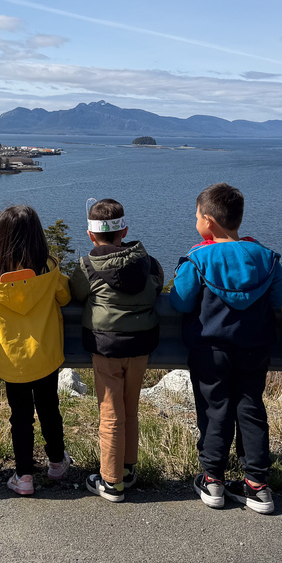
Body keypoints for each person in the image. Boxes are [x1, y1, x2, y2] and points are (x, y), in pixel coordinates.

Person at [169, 183, 282, 513]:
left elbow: (179, 302)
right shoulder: (266, 257)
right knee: (250, 408)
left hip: (210, 350)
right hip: (255, 347)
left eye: (196, 216)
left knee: (214, 410)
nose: (195, 221)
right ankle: (257, 485)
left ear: (208, 221)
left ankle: (213, 481)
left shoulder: (199, 258)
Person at [70, 198, 162, 502]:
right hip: (141, 346)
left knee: (110, 414)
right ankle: (126, 470)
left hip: (105, 347)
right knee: (130, 409)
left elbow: (76, 293)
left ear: (90, 235)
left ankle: (111, 482)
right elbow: (158, 286)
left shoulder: (88, 267)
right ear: (124, 231)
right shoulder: (147, 262)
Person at [0, 205, 72, 496]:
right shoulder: (49, 268)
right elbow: (66, 297)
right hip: (44, 354)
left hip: (11, 357)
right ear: (37, 234)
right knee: (49, 408)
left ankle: (24, 476)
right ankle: (56, 462)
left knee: (19, 416)